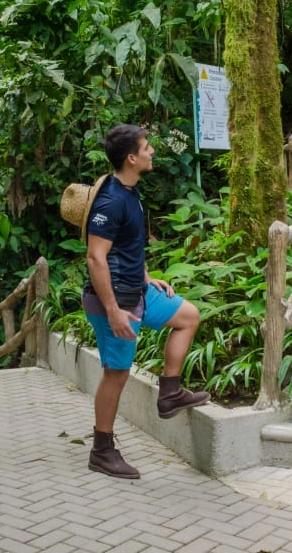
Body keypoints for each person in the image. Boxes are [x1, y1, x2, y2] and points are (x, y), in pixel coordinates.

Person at [79, 124, 210, 479]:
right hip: (115, 301)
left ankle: (169, 393)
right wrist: (112, 311)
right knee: (117, 374)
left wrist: (146, 276)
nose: (153, 152)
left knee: (188, 316)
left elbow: (129, 244)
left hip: (136, 290)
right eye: (147, 147)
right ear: (131, 158)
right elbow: (96, 257)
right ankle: (101, 451)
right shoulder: (111, 200)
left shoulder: (129, 190)